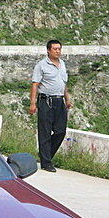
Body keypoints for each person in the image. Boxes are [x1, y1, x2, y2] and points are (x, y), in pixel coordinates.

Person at [29, 40, 72, 172]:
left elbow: (63, 83)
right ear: (48, 50)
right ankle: (46, 162)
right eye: (55, 49)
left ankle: (45, 155)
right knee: (45, 132)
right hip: (46, 100)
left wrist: (67, 99)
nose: (58, 51)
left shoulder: (62, 64)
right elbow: (35, 84)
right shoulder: (41, 65)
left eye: (59, 49)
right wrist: (32, 103)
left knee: (60, 131)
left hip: (59, 101)